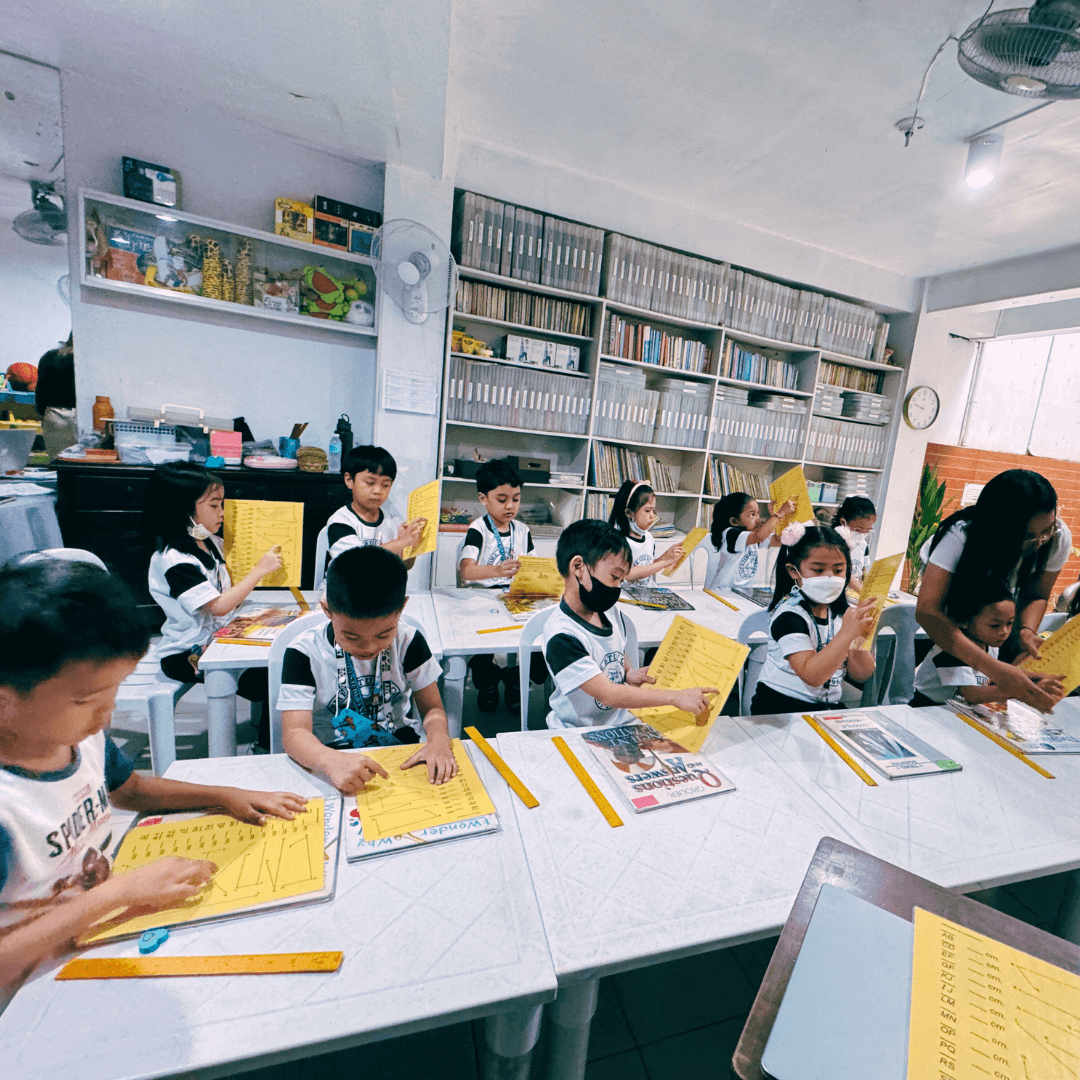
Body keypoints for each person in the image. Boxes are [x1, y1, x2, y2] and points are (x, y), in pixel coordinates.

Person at [0, 561, 306, 1001]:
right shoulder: (9, 804)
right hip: (27, 995)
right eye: (86, 701)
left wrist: (226, 795)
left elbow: (132, 790)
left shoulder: (76, 740)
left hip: (94, 941)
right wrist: (117, 893)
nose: (107, 716)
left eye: (114, 692)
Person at [279, 546, 456, 795]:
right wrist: (328, 760)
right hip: (329, 753)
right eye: (351, 637)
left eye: (384, 634)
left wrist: (438, 741)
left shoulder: (409, 641)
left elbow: (433, 709)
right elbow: (294, 733)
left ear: (402, 608)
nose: (369, 647)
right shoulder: (303, 652)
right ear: (327, 610)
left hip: (399, 747)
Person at [143, 462, 282, 746]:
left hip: (217, 640)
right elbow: (218, 606)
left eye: (222, 504)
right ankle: (266, 746)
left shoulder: (209, 543)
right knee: (272, 678)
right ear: (183, 508)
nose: (222, 513)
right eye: (214, 505)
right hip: (185, 653)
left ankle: (270, 740)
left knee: (279, 665)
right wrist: (259, 570)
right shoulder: (174, 560)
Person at [916, 469, 1071, 712]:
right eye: (1028, 535)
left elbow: (1036, 594)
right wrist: (994, 669)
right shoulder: (961, 535)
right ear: (999, 527)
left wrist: (1026, 631)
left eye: (1047, 530)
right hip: (954, 627)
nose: (1040, 541)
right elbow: (928, 611)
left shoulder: (1057, 538)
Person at [542, 519, 718, 728]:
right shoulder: (561, 635)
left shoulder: (609, 612)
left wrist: (629, 673)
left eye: (621, 580)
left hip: (619, 722)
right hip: (578, 730)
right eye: (614, 577)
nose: (617, 588)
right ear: (578, 567)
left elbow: (615, 651)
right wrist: (675, 697)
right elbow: (608, 694)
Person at [750, 523, 877, 715]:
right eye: (818, 570)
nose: (830, 577)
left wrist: (859, 638)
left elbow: (862, 674)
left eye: (838, 570)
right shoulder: (789, 616)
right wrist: (846, 634)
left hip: (823, 708)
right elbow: (812, 676)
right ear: (794, 571)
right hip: (779, 707)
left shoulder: (842, 614)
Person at [458, 459, 543, 712]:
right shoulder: (478, 529)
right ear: (483, 499)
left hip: (517, 598)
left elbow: (532, 566)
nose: (510, 506)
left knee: (541, 641)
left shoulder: (522, 530)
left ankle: (515, 680)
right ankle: (488, 683)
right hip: (484, 599)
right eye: (502, 499)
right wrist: (496, 570)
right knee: (481, 648)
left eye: (516, 499)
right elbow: (466, 570)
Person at [911, 589, 1063, 708]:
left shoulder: (990, 645)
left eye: (1009, 623)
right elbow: (973, 695)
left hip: (956, 710)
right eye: (995, 625)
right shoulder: (953, 650)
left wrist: (1024, 672)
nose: (1004, 632)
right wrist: (1023, 690)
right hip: (927, 709)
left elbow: (989, 680)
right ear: (966, 621)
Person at [323, 446, 425, 574]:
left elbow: (404, 566)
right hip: (345, 586)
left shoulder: (393, 522)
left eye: (385, 485)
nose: (378, 491)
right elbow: (356, 563)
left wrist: (411, 546)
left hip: (379, 586)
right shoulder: (341, 522)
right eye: (370, 483)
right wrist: (401, 542)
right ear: (349, 480)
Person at [704, 492, 795, 591]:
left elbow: (779, 540)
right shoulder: (731, 534)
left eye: (758, 513)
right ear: (734, 521)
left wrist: (777, 516)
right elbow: (760, 536)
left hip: (741, 593)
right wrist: (780, 513)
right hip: (722, 592)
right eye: (752, 514)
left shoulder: (753, 535)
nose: (758, 519)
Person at [607, 481, 684, 585]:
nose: (652, 516)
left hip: (646, 591)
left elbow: (648, 567)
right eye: (647, 511)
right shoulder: (620, 541)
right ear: (629, 513)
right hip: (627, 592)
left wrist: (666, 557)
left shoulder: (648, 537)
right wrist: (664, 562)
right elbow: (626, 574)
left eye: (653, 510)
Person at [34, 333, 77, 461]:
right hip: (79, 413)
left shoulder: (49, 356)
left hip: (54, 414)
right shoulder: (84, 359)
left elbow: (40, 390)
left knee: (58, 462)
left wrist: (43, 414)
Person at [831, 496, 877, 589]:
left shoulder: (863, 545)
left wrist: (867, 586)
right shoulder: (832, 543)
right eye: (858, 530)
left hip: (854, 592)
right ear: (843, 522)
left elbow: (863, 570)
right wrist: (863, 592)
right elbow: (844, 573)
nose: (862, 534)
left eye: (867, 531)